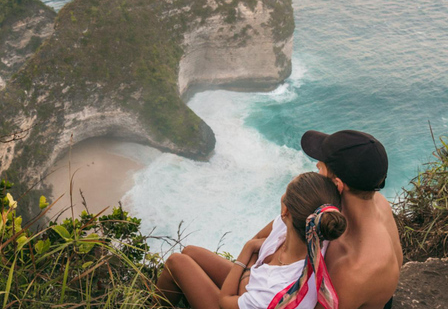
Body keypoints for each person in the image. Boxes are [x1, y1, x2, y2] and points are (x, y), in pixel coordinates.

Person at [156, 172, 347, 309]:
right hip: (253, 286)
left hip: (242, 300)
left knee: (176, 262)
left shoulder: (274, 292)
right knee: (190, 251)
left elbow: (226, 301)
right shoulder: (319, 228)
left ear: (286, 211)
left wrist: (248, 250)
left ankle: (148, 304)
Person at [300, 130, 403, 309]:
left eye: (320, 168)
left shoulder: (351, 271)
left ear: (338, 184)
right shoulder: (379, 202)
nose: (316, 166)